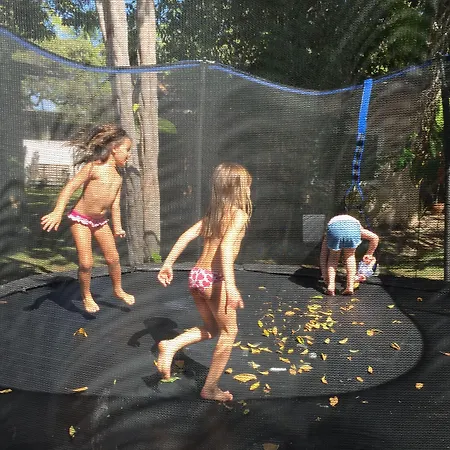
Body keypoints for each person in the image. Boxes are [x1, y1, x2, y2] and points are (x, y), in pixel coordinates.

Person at [157, 162, 252, 402]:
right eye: (248, 186)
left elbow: (186, 236)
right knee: (229, 332)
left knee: (211, 329)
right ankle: (210, 388)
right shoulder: (238, 215)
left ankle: (171, 345)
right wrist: (231, 286)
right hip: (214, 279)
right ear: (239, 189)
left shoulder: (214, 215)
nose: (250, 191)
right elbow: (226, 247)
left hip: (197, 275)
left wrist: (168, 263)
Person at [41, 124, 135, 313]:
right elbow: (70, 187)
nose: (129, 154)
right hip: (80, 219)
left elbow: (115, 205)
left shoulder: (118, 178)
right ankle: (86, 296)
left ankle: (118, 289)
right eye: (127, 149)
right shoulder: (93, 167)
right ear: (114, 148)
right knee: (86, 263)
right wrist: (58, 212)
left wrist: (117, 227)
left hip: (100, 221)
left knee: (113, 258)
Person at [319, 213, 379, 296]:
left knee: (333, 258)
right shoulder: (358, 228)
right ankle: (350, 287)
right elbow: (375, 238)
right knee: (350, 256)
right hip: (352, 230)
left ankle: (331, 286)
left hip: (335, 230)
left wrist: (324, 273)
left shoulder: (328, 233)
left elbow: (323, 255)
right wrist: (369, 254)